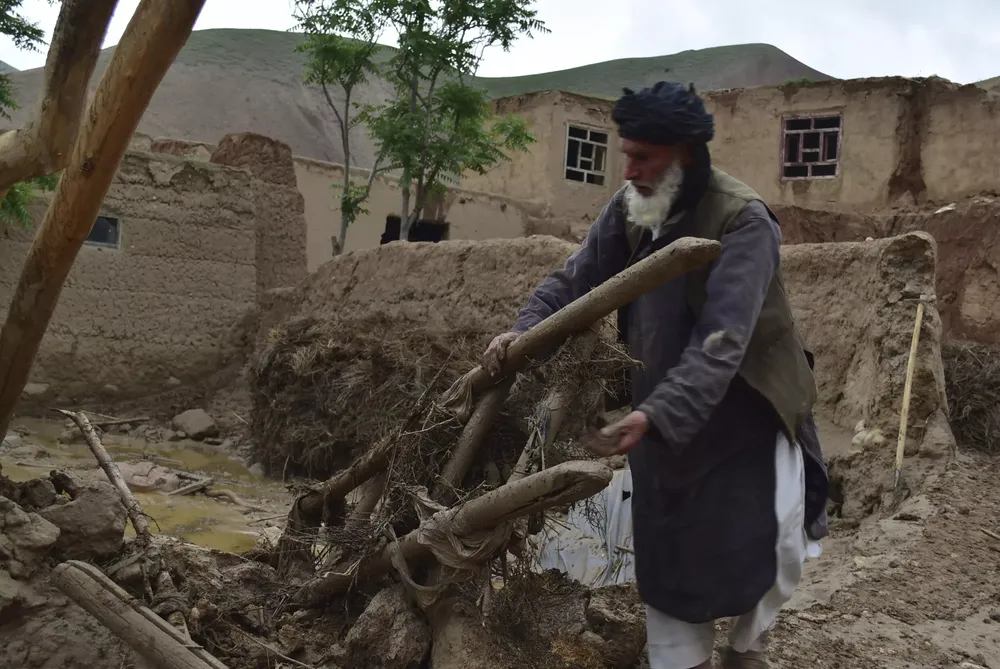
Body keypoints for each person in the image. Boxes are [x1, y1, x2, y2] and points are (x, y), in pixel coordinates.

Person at [481, 82, 829, 669]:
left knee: (774, 546)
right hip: (661, 422)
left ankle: (745, 650)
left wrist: (658, 412)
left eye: (645, 156)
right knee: (670, 559)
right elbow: (577, 279)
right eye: (628, 153)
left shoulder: (744, 222)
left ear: (686, 153)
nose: (630, 168)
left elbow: (724, 339)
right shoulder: (631, 205)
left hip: (750, 413)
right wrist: (525, 328)